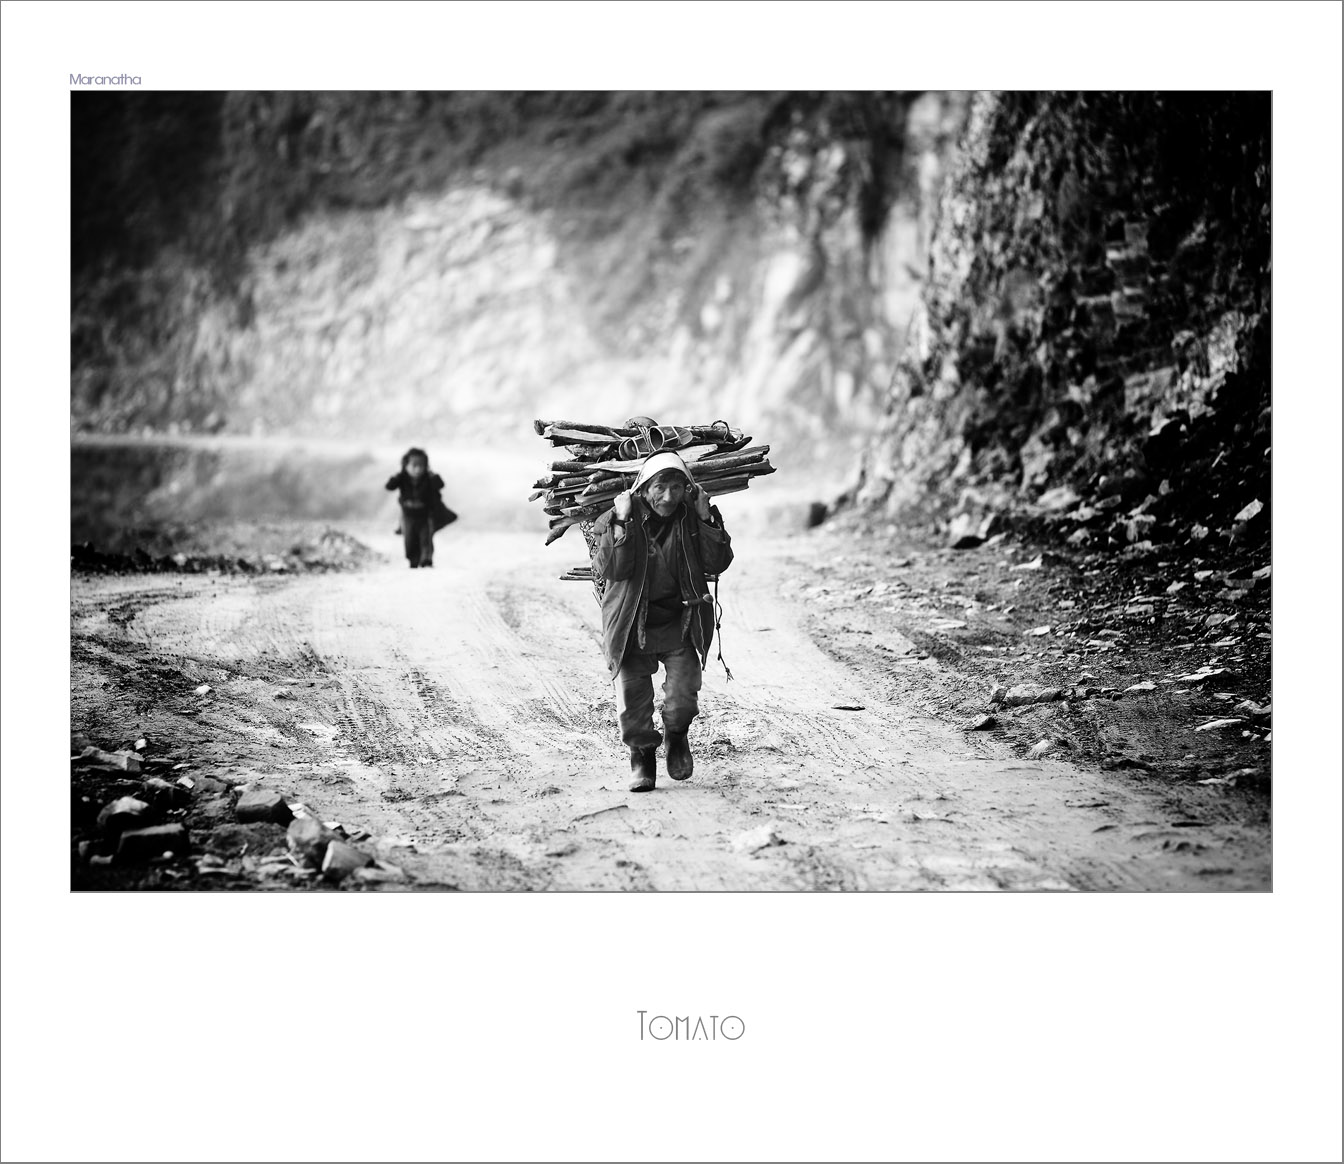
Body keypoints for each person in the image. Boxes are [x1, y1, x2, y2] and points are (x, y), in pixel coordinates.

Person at [591, 451, 734, 792]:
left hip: (679, 622)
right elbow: (612, 569)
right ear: (643, 489)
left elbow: (717, 563)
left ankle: (677, 735)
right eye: (660, 487)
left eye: (676, 488)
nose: (669, 497)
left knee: (684, 696)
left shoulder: (693, 516)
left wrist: (706, 518)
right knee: (632, 701)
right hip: (630, 624)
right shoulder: (615, 518)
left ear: (687, 490)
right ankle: (642, 757)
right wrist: (622, 521)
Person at [385, 447, 446, 568]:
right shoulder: (402, 477)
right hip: (407, 516)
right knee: (409, 540)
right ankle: (413, 561)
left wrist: (432, 475)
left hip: (425, 515)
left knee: (425, 539)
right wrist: (398, 475)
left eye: (421, 466)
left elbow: (440, 485)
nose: (418, 469)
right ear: (406, 466)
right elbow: (389, 486)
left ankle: (426, 560)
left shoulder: (428, 477)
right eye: (414, 465)